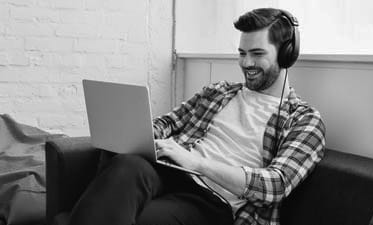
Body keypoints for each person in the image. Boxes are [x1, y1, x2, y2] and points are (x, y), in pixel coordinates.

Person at [68, 8, 326, 225]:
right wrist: (142, 137)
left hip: (213, 200)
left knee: (144, 218)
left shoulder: (304, 120)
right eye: (242, 53)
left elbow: (276, 185)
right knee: (125, 165)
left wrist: (197, 164)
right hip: (173, 170)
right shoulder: (219, 92)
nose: (246, 63)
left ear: (286, 53)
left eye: (257, 54)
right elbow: (169, 122)